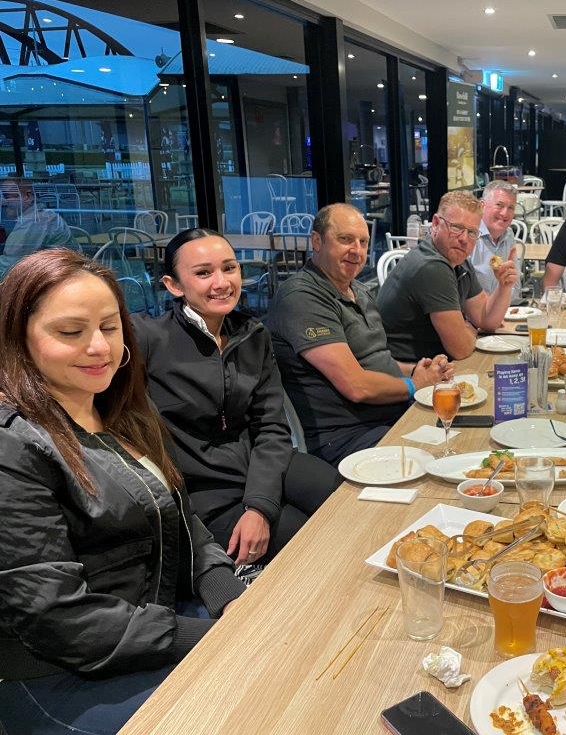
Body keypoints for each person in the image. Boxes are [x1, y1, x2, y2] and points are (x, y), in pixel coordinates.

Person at [0, 250, 245, 735]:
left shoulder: (118, 407)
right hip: (57, 670)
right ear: (17, 338)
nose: (99, 348)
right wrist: (206, 636)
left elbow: (183, 519)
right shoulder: (13, 444)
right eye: (70, 332)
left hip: (153, 623)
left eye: (109, 327)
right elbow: (57, 618)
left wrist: (226, 594)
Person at [133, 229, 340, 577]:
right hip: (204, 489)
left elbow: (271, 425)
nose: (222, 282)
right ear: (173, 285)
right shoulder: (150, 339)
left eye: (229, 268)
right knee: (308, 543)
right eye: (203, 273)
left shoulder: (252, 334)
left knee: (344, 501)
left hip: (261, 464)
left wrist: (259, 505)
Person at [265, 204, 452, 465]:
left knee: (464, 435)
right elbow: (357, 386)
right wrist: (414, 385)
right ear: (317, 241)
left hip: (391, 417)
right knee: (442, 459)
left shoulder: (360, 290)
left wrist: (417, 370)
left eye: (363, 242)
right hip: (346, 437)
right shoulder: (301, 298)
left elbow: (374, 360)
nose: (357, 250)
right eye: (345, 239)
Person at [378, 190, 518, 361]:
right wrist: (470, 327)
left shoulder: (459, 260)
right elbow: (461, 349)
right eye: (457, 228)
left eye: (472, 232)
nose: (464, 239)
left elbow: (486, 320)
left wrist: (504, 287)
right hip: (408, 370)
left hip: (436, 364)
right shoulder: (432, 267)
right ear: (436, 224)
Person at [0, 177, 74, 276]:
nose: (2, 201)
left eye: (7, 196)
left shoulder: (33, 222)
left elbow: (9, 268)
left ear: (27, 196)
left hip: (61, 279)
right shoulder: (39, 216)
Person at [468, 180, 523, 303]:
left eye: (510, 207)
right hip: (473, 312)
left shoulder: (508, 234)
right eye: (499, 205)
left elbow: (515, 284)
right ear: (482, 206)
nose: (504, 213)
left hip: (506, 310)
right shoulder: (469, 235)